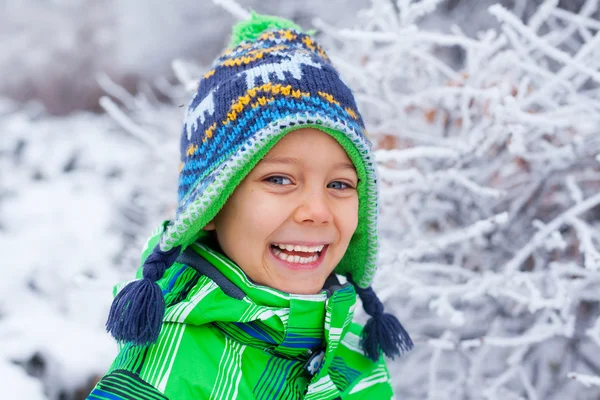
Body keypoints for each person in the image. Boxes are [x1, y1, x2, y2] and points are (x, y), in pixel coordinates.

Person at [88, 12, 413, 400]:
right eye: (279, 180)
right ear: (211, 205)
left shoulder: (354, 357)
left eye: (339, 184)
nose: (317, 210)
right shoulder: (170, 369)